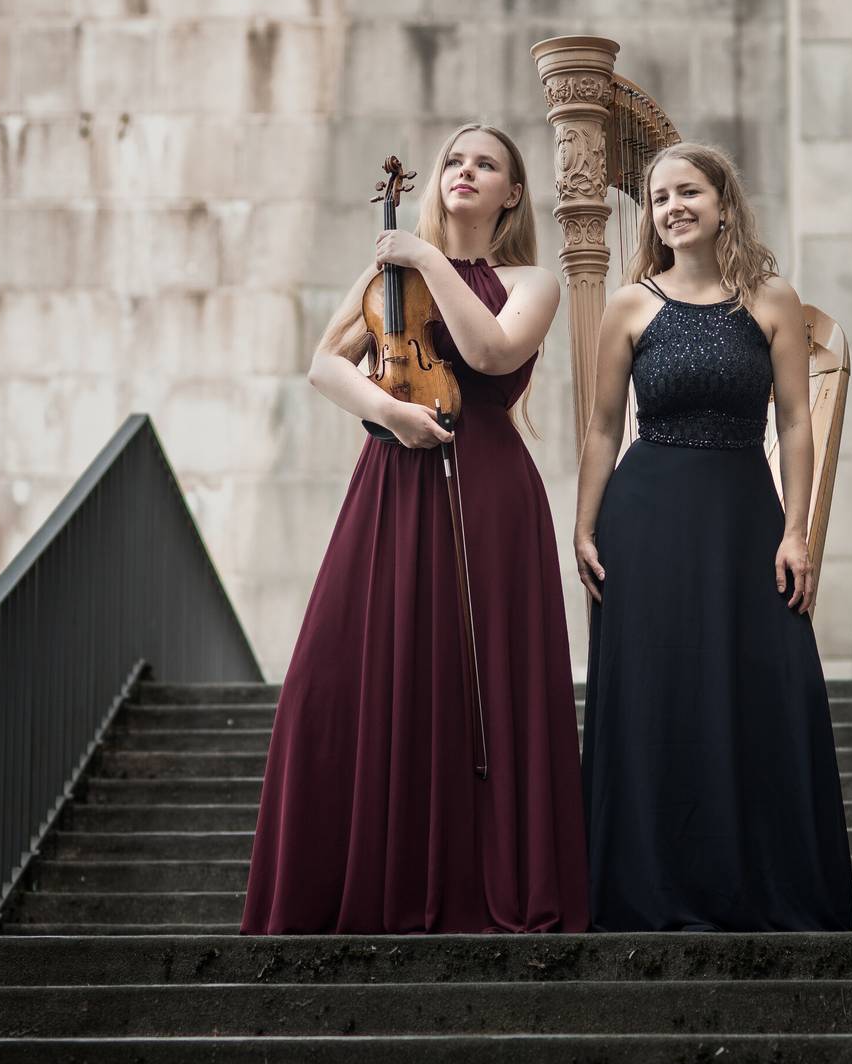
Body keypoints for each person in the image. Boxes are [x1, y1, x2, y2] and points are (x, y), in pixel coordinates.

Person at [239, 123, 589, 934]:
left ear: (513, 193)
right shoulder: (385, 272)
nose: (465, 171)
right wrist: (389, 413)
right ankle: (347, 887)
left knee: (482, 688)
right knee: (328, 680)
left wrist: (430, 258)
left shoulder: (532, 281)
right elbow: (327, 361)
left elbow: (492, 353)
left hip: (491, 492)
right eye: (455, 161)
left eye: (487, 164)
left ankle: (484, 884)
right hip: (394, 478)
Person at [574, 142, 852, 932]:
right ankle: (647, 888)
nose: (672, 207)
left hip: (744, 515)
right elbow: (602, 429)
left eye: (688, 192)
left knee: (765, 683)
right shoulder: (629, 305)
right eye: (660, 197)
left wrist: (796, 533)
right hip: (646, 520)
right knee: (657, 696)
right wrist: (584, 526)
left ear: (723, 203)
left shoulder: (770, 298)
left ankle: (763, 888)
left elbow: (797, 424)